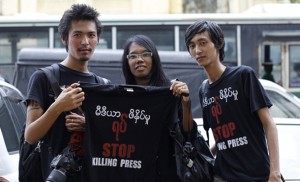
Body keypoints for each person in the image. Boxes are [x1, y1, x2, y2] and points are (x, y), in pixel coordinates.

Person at [185, 20, 282, 181]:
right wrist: (202, 160)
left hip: (256, 175)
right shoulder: (203, 90)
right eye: (192, 45)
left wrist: (275, 172)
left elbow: (269, 124)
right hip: (223, 176)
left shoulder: (243, 76)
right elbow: (222, 138)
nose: (197, 50)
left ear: (219, 42)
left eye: (203, 43)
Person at [23, 4, 109, 182]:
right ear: (64, 38)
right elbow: (30, 136)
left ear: (98, 39)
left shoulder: (103, 85)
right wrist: (58, 106)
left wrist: (88, 125)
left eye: (91, 35)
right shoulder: (43, 78)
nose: (85, 41)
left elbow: (112, 139)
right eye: (77, 34)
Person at [121, 34, 195, 181]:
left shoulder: (171, 91)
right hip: (134, 173)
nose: (139, 59)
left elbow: (188, 133)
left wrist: (185, 101)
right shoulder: (123, 98)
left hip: (168, 173)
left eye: (145, 54)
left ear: (154, 58)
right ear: (127, 62)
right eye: (133, 55)